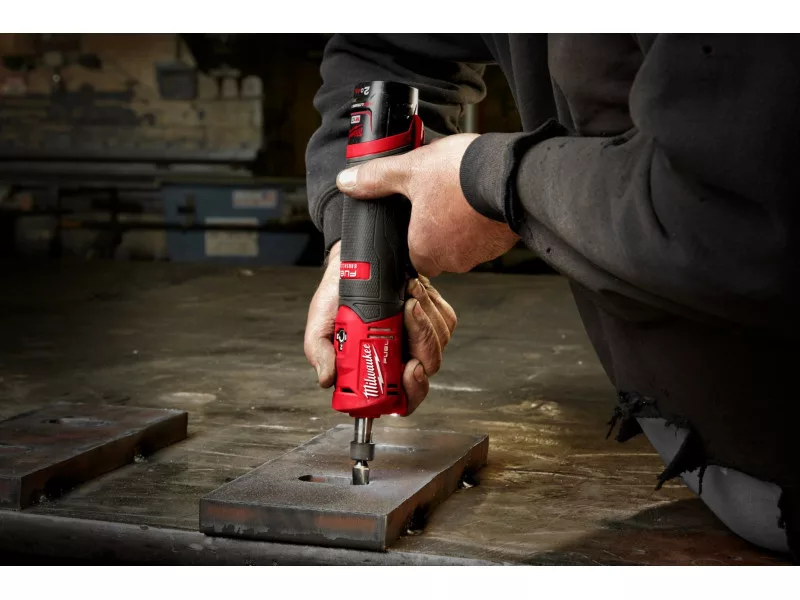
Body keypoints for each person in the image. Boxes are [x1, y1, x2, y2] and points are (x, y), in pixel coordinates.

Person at [302, 34, 800, 560]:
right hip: (707, 450)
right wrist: (357, 238)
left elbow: (734, 210)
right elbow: (386, 49)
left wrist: (491, 182)